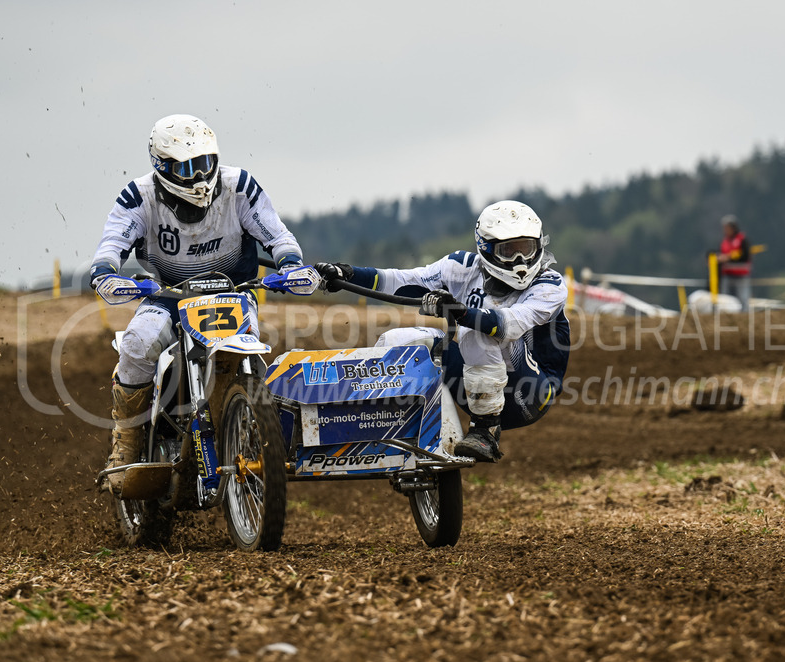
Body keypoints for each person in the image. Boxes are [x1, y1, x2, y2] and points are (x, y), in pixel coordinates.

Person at [88, 114, 308, 493]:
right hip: (168, 296)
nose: (199, 177)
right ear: (162, 167)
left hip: (233, 292)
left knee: (248, 346)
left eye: (205, 163)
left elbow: (278, 236)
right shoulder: (138, 197)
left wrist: (290, 265)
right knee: (137, 343)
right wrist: (106, 272)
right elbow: (111, 245)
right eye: (187, 168)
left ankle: (251, 424)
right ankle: (127, 443)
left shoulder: (238, 186)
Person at [315, 200, 570, 463]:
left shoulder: (550, 284)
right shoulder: (461, 268)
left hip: (529, 394)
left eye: (526, 249)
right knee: (400, 340)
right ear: (487, 249)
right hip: (477, 381)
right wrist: (345, 275)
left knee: (477, 332)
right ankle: (387, 424)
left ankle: (486, 429)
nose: (520, 261)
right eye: (509, 251)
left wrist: (460, 312)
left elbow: (509, 324)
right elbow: (402, 281)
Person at [716, 214, 752, 310]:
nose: (725, 230)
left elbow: (745, 256)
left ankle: (744, 318)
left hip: (741, 275)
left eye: (726, 227)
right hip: (727, 275)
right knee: (726, 299)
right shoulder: (725, 241)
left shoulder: (742, 239)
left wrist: (729, 258)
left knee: (742, 299)